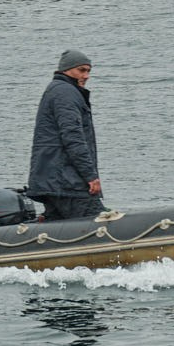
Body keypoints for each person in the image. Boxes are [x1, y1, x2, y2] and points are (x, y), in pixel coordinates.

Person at [27, 50, 103, 221]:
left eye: (88, 71)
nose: (86, 75)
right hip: (67, 183)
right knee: (96, 223)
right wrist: (90, 176)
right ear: (66, 70)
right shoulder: (66, 93)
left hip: (53, 182)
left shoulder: (57, 90)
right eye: (81, 70)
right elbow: (72, 137)